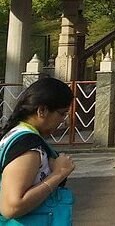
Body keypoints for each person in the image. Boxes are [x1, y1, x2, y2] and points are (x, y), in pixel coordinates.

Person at [0, 78, 75, 223]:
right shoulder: (28, 147)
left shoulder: (14, 133)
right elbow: (12, 207)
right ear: (42, 110)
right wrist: (59, 174)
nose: (64, 120)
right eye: (62, 113)